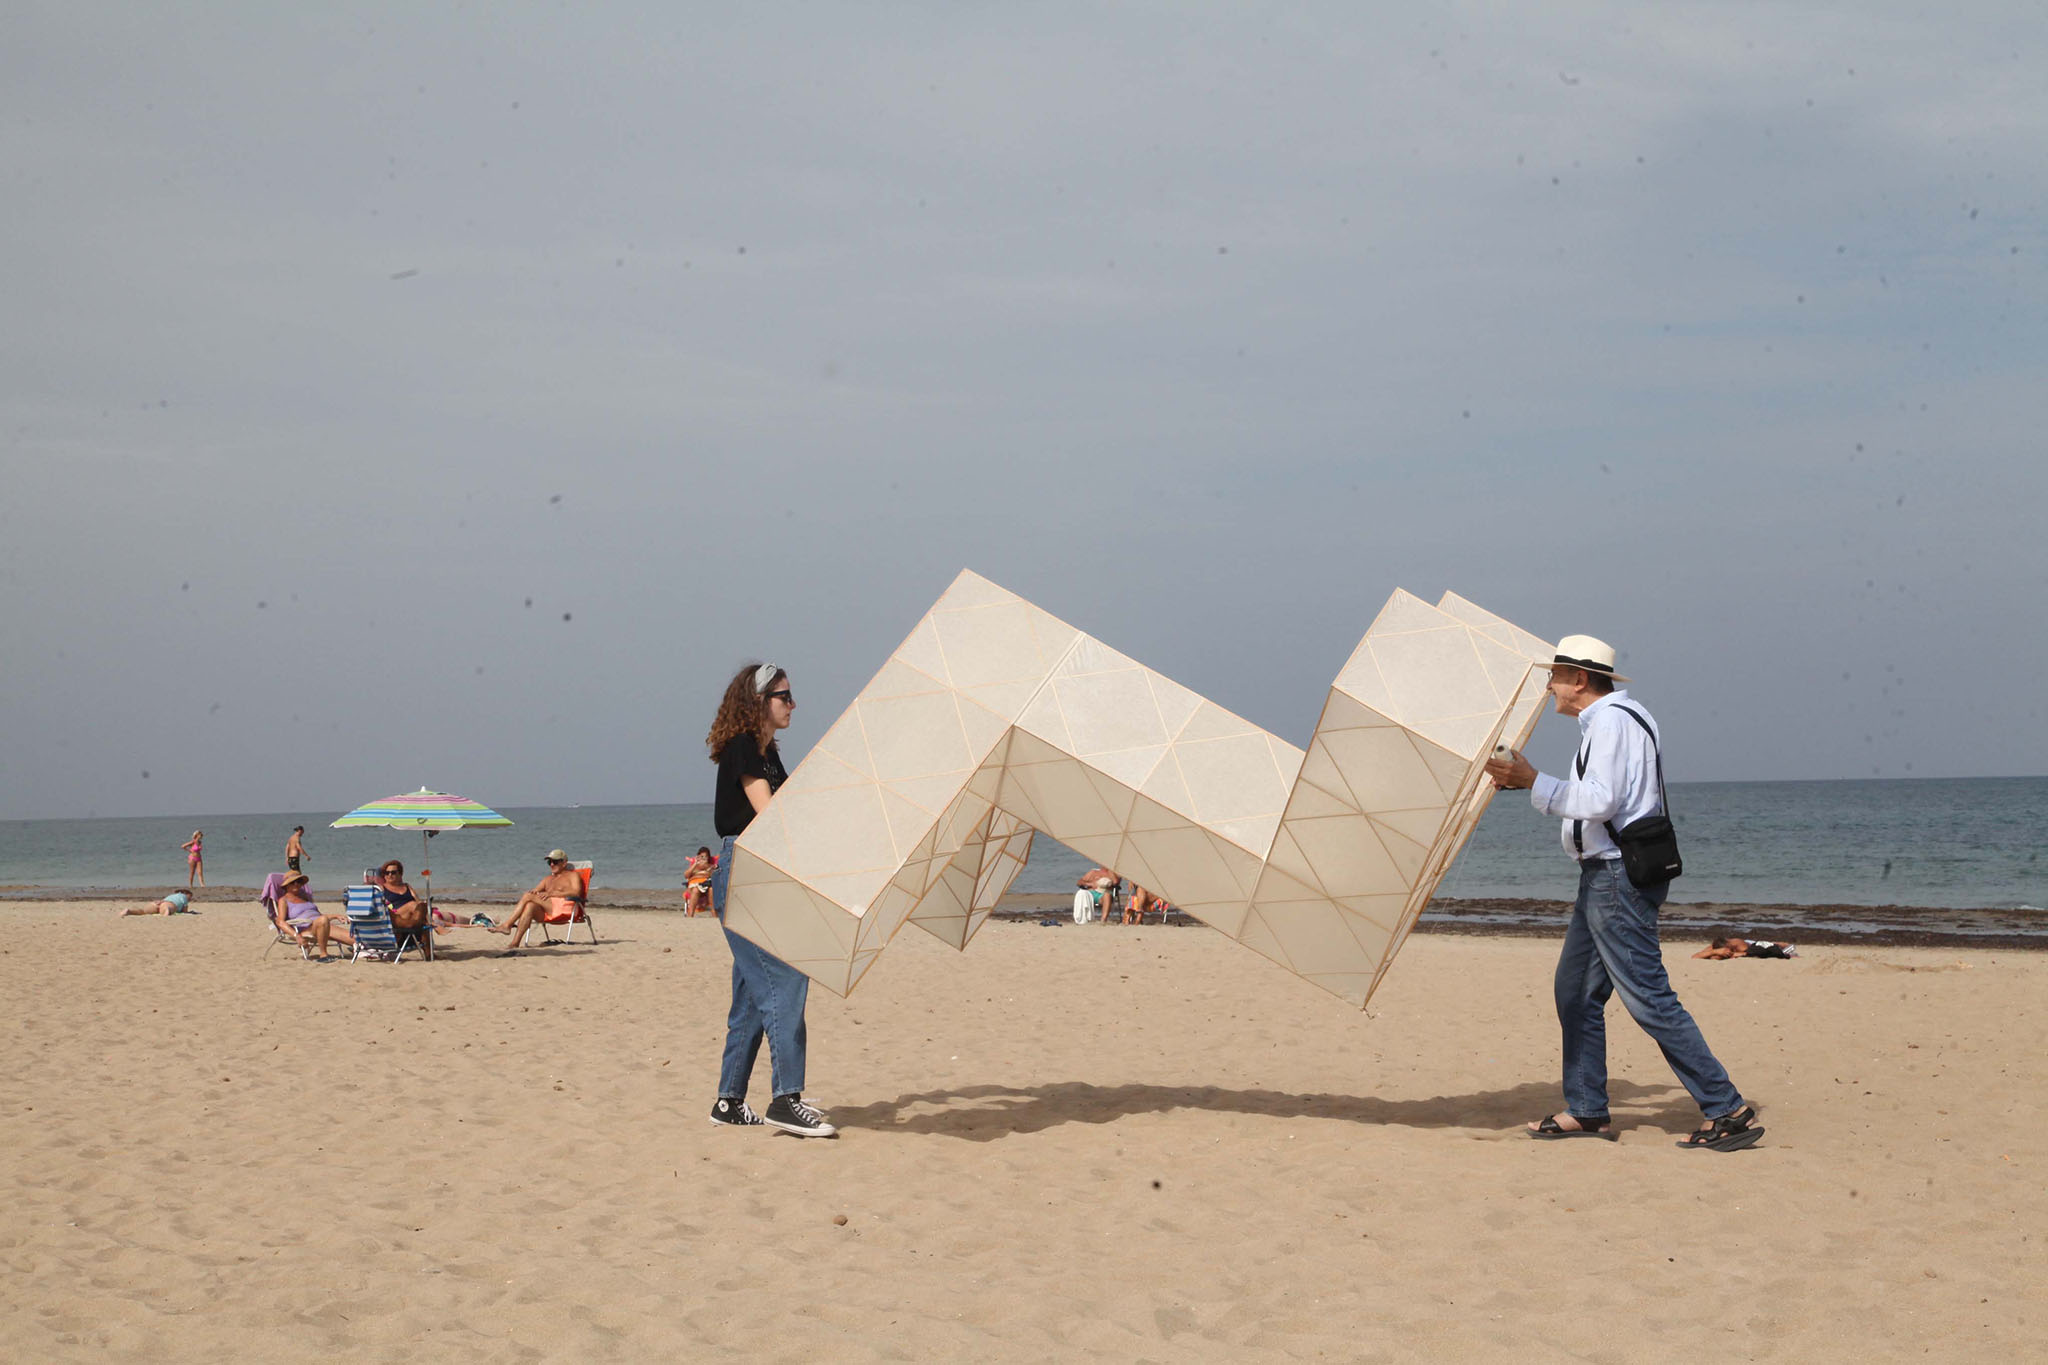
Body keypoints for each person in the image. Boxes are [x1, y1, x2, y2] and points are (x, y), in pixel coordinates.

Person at [1485, 634, 1763, 1153]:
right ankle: (1588, 1109)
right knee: (1576, 992)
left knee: (1648, 998)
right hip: (1607, 875)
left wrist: (1532, 781)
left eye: (1555, 676)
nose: (1550, 687)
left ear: (1580, 680)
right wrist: (1529, 783)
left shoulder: (1611, 722)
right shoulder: (1626, 717)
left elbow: (1601, 800)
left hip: (1616, 877)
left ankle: (1727, 1109)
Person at [705, 661, 835, 1137]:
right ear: (759, 701)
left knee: (750, 992)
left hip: (758, 871)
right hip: (746, 870)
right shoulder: (744, 748)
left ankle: (729, 1100)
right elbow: (773, 815)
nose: (793, 704)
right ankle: (786, 1098)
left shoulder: (766, 753)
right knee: (785, 979)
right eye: (784, 696)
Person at [488, 851, 588, 951]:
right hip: (549, 911)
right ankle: (515, 942)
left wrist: (550, 894)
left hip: (565, 909)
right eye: (550, 862)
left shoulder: (572, 876)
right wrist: (535, 892)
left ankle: (507, 925)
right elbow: (535, 891)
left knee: (528, 896)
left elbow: (576, 893)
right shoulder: (548, 879)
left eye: (555, 862)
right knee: (530, 906)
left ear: (564, 863)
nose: (552, 864)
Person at [272, 871, 354, 959]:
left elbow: (319, 915)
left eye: (299, 881)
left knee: (356, 938)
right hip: (306, 929)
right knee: (323, 921)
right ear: (286, 885)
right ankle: (323, 955)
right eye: (292, 882)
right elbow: (280, 921)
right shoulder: (284, 900)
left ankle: (359, 947)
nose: (296, 884)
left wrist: (336, 916)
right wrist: (296, 936)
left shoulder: (304, 898)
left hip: (321, 924)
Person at [1694, 936, 1797, 960]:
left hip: (1753, 944)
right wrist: (1715, 952)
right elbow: (1695, 956)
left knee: (1775, 945)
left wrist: (1734, 954)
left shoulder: (1739, 944)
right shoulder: (1716, 946)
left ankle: (1787, 947)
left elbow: (1748, 953)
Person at [684, 846, 717, 917]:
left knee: (712, 889)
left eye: (705, 857)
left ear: (708, 858)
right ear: (698, 857)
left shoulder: (710, 866)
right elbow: (686, 875)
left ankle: (714, 914)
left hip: (707, 885)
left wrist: (709, 868)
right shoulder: (694, 867)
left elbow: (715, 876)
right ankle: (690, 915)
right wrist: (695, 863)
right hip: (695, 885)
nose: (703, 858)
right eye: (702, 856)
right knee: (696, 889)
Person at [120, 890, 193, 916]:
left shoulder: (172, 895)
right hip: (169, 904)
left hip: (159, 902)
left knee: (143, 911)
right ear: (186, 894)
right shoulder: (184, 897)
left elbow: (164, 900)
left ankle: (129, 911)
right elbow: (185, 911)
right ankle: (167, 910)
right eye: (190, 897)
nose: (190, 899)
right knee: (168, 908)